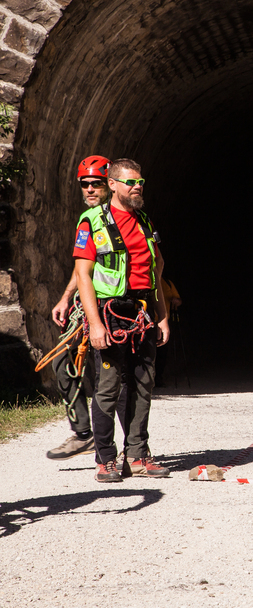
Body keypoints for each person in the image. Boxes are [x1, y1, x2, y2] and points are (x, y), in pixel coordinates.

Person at [73, 158, 171, 482]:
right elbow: (84, 276)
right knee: (109, 387)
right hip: (110, 313)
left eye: (140, 182)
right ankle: (106, 459)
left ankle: (138, 455)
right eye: (130, 182)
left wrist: (163, 317)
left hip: (142, 312)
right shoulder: (91, 223)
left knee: (144, 383)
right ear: (112, 184)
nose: (137, 187)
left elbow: (156, 272)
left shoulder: (144, 221)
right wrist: (96, 324)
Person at [46, 156, 126, 460]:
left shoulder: (113, 217)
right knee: (63, 363)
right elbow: (84, 268)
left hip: (112, 306)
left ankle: (129, 447)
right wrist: (67, 297)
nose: (90, 189)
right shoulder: (90, 217)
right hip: (88, 302)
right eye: (85, 184)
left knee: (114, 379)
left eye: (96, 183)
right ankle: (84, 434)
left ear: (110, 185)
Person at [154, 277, 182, 388]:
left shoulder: (167, 283)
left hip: (163, 322)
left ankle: (158, 378)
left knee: (162, 352)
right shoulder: (147, 279)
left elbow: (178, 300)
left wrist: (176, 301)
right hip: (147, 322)